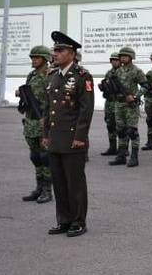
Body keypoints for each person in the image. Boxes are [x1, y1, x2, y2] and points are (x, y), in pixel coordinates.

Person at [43, 31, 94, 237]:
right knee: (59, 183)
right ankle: (63, 220)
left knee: (75, 184)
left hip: (73, 140)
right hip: (55, 140)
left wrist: (80, 137)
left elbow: (86, 110)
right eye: (54, 50)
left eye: (60, 50)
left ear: (72, 53)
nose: (55, 53)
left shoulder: (82, 77)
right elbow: (48, 109)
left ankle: (78, 221)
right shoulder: (53, 76)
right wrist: (46, 134)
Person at [17, 45, 53, 204]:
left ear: (45, 59)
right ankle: (38, 188)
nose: (33, 60)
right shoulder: (31, 74)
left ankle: (47, 190)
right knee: (35, 156)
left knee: (45, 157)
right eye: (32, 57)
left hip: (44, 120)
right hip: (31, 120)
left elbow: (55, 99)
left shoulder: (50, 75)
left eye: (36, 57)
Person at [109, 46, 147, 168]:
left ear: (131, 57)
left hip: (130, 105)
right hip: (118, 104)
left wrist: (135, 96)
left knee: (132, 131)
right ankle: (121, 155)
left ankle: (134, 157)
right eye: (121, 56)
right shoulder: (118, 71)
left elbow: (146, 86)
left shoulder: (137, 71)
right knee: (120, 130)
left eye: (125, 56)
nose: (123, 58)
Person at [98, 52, 120, 156]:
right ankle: (112, 147)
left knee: (121, 126)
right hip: (109, 102)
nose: (114, 62)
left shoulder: (123, 72)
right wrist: (103, 87)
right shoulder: (109, 73)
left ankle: (122, 148)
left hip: (119, 102)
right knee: (110, 125)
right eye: (113, 60)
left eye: (116, 60)